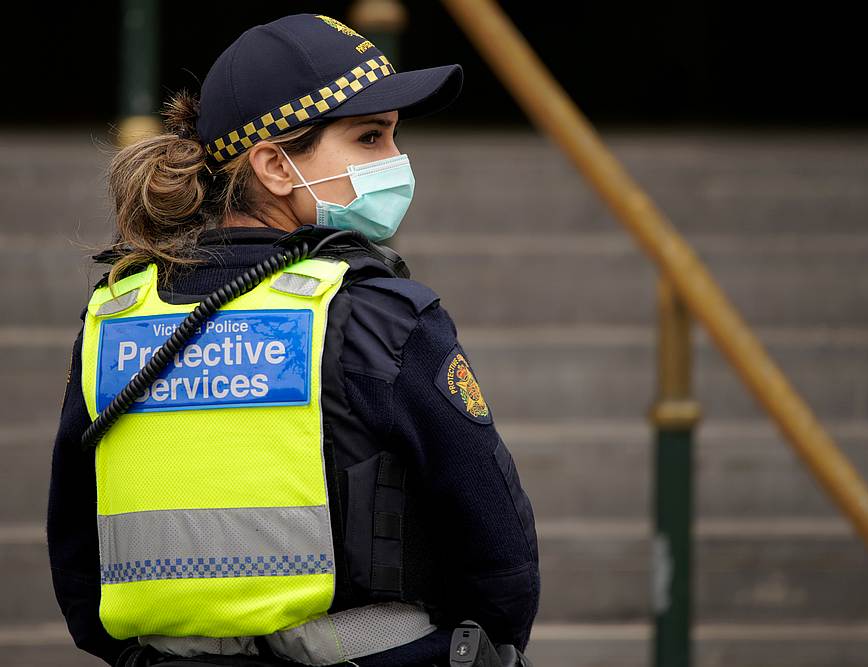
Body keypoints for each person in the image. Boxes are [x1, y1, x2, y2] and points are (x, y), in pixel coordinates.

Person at [47, 14, 540, 667]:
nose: (395, 163)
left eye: (393, 138)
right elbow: (497, 550)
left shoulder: (117, 315)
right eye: (369, 138)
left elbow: (79, 558)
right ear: (275, 165)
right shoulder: (380, 315)